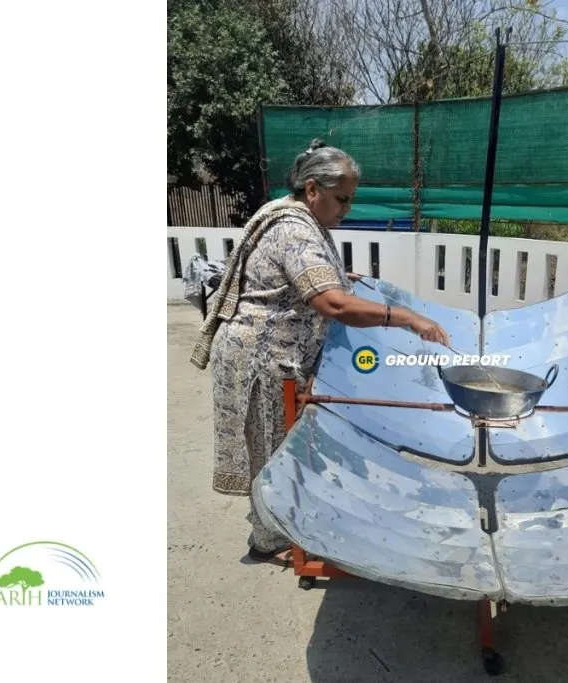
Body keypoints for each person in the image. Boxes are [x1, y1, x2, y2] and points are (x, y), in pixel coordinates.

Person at [190, 138, 451, 559]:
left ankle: (282, 522)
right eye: (341, 200)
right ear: (312, 190)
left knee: (281, 445)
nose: (346, 210)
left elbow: (298, 273)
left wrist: (338, 274)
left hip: (271, 351)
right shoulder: (294, 229)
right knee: (270, 450)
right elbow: (331, 303)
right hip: (262, 358)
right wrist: (407, 317)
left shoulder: (294, 217)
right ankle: (269, 538)